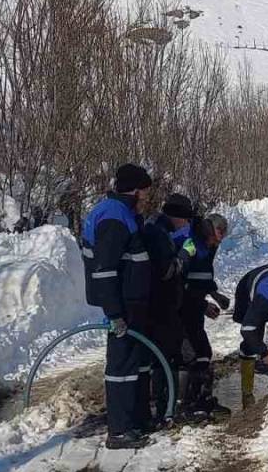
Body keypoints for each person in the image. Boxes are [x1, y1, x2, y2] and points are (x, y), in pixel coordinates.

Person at [81, 163, 154, 450]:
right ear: (134, 190)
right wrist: (115, 314)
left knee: (134, 362)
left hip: (131, 301)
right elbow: (105, 269)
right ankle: (120, 430)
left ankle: (134, 420)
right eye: (145, 192)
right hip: (122, 303)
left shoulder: (122, 212)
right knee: (121, 365)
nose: (147, 197)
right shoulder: (113, 216)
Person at [140, 193, 194, 427]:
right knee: (167, 357)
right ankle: (166, 410)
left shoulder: (157, 228)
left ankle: (162, 405)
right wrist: (184, 256)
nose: (187, 224)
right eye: (185, 219)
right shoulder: (159, 235)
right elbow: (166, 271)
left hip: (156, 304)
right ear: (177, 216)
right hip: (161, 307)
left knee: (160, 357)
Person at [179, 213, 230, 417]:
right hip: (180, 311)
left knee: (203, 353)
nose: (222, 237)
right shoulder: (191, 246)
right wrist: (203, 305)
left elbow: (203, 276)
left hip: (194, 311)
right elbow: (181, 284)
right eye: (220, 231)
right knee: (190, 356)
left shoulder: (210, 248)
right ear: (210, 230)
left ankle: (201, 400)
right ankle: (183, 406)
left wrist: (215, 293)